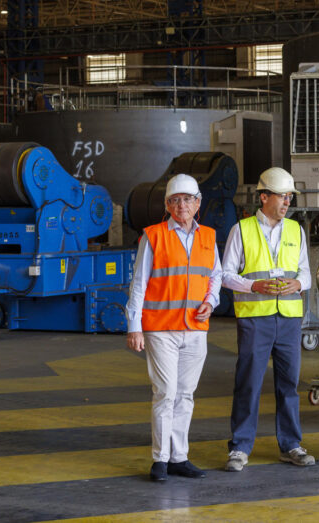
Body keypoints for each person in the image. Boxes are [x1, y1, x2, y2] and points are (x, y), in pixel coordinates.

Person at [126, 173, 221, 482]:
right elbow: (138, 284)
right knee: (165, 392)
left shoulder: (208, 236)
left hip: (195, 327)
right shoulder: (153, 236)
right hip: (160, 328)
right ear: (167, 205)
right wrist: (134, 326)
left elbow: (214, 276)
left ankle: (179, 457)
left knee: (186, 394)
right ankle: (160, 459)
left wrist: (212, 300)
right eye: (176, 200)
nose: (183, 205)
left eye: (189, 199)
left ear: (198, 204)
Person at [221, 167, 315, 472]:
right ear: (264, 197)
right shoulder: (242, 230)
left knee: (289, 384)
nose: (287, 202)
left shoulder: (295, 230)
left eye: (289, 197)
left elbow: (306, 274)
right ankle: (239, 448)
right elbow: (224, 275)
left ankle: (291, 445)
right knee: (248, 383)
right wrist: (253, 285)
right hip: (255, 319)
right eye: (281, 196)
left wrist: (298, 285)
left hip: (288, 318)